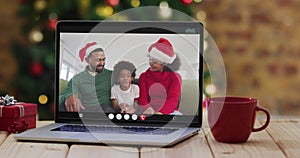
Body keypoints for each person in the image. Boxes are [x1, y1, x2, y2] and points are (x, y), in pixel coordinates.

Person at [59, 41, 113, 113]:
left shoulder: (111, 74)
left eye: (103, 59)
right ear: (87, 60)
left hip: (105, 111)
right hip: (84, 110)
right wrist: (69, 96)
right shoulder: (77, 78)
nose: (102, 63)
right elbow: (63, 95)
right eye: (98, 60)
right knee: (62, 106)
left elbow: (131, 80)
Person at [139, 38, 182, 115]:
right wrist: (148, 110)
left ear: (165, 63)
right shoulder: (144, 76)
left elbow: (173, 99)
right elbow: (143, 98)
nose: (151, 63)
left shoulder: (175, 77)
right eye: (150, 59)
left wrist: (160, 113)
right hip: (149, 112)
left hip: (169, 111)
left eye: (155, 62)